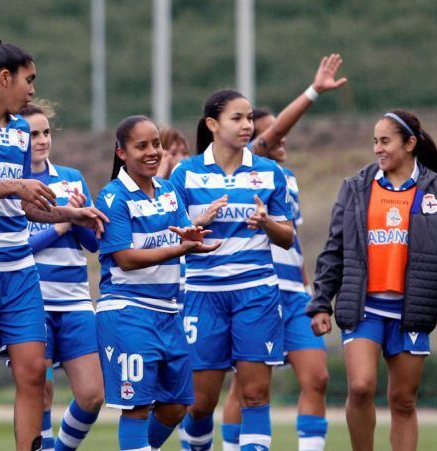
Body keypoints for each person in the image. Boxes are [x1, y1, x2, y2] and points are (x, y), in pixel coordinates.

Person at [0, 36, 107, 451]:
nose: (32, 91)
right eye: (28, 81)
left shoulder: (19, 131)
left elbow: (25, 204)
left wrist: (71, 214)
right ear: (4, 78)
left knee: (33, 372)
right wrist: (10, 185)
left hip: (18, 270)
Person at [218, 53, 348, 451]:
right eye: (272, 131)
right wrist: (313, 91)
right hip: (258, 291)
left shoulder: (286, 178)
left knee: (317, 377)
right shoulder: (249, 164)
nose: (282, 137)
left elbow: (291, 241)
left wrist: (314, 292)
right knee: (247, 385)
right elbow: (271, 134)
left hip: (294, 294)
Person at [170, 89, 294, 451]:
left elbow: (287, 237)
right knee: (200, 402)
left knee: (254, 394)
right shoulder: (185, 174)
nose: (247, 126)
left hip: (256, 294)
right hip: (203, 296)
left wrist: (267, 223)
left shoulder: (270, 173)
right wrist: (197, 222)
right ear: (212, 124)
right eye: (237, 118)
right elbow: (172, 235)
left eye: (249, 118)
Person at [308, 110, 437, 451]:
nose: (378, 149)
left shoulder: (432, 190)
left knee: (404, 401)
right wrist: (321, 302)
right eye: (374, 142)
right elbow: (333, 249)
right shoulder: (355, 188)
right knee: (362, 387)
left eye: (385, 141)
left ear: (410, 144)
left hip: (413, 310)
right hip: (364, 307)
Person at [97, 115, 219, 451]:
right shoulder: (113, 197)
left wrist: (196, 239)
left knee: (176, 406)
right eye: (142, 146)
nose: (152, 152)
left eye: (156, 144)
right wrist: (181, 247)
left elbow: (184, 237)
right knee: (136, 407)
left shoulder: (168, 192)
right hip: (129, 311)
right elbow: (125, 257)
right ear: (121, 153)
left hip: (169, 312)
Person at [19, 101, 103, 451]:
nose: (40, 140)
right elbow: (17, 247)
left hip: (75, 300)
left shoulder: (70, 178)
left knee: (92, 395)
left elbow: (91, 245)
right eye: (31, 134)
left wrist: (83, 218)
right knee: (41, 391)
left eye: (45, 133)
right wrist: (61, 224)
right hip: (31, 299)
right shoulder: (13, 184)